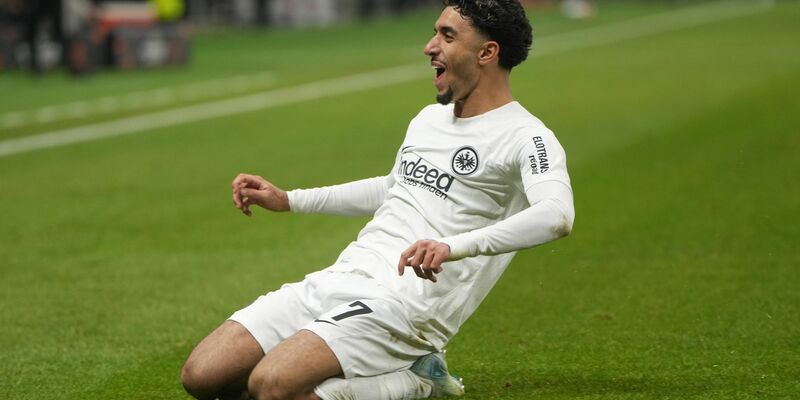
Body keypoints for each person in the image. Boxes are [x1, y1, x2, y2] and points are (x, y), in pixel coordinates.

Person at [181, 1, 575, 399]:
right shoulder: (428, 119)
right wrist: (290, 200)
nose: (430, 46)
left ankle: (418, 380)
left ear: (488, 53)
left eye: (447, 36)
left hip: (409, 306)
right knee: (202, 376)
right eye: (435, 32)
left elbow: (556, 214)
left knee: (273, 386)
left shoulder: (526, 137)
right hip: (347, 274)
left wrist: (452, 247)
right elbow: (394, 187)